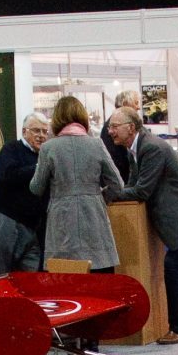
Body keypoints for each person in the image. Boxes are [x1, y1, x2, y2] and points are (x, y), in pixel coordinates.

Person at [112, 107, 178, 342]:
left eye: (114, 126)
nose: (110, 131)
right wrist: (122, 192)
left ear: (131, 127)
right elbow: (135, 182)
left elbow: (142, 190)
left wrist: (111, 195)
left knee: (173, 265)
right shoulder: (136, 148)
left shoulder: (150, 147)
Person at [31, 95, 126, 272]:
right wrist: (99, 197)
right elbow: (117, 185)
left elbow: (36, 188)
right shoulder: (96, 144)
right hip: (94, 215)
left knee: (64, 278)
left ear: (57, 119)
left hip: (61, 219)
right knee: (99, 276)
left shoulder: (49, 148)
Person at [0, 113, 50, 278]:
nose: (41, 136)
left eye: (45, 132)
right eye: (36, 131)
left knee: (30, 281)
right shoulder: (11, 149)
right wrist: (39, 168)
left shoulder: (45, 156)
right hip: (5, 220)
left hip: (31, 229)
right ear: (25, 132)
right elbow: (7, 176)